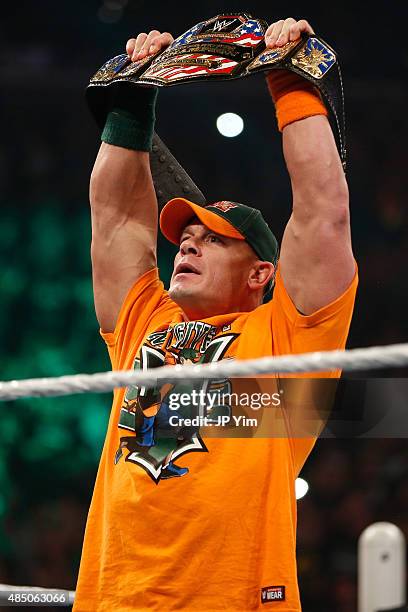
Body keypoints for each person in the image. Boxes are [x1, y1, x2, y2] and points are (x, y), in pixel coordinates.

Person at [74, 17, 358, 612]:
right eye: (187, 237)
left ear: (262, 274)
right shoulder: (144, 323)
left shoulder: (289, 337)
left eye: (215, 240)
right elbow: (118, 220)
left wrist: (291, 78)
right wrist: (132, 101)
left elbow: (321, 210)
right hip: (113, 600)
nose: (188, 245)